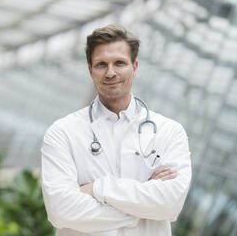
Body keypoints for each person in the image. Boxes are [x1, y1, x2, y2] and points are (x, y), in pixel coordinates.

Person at [40, 24, 192, 236]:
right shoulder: (63, 132)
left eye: (119, 63)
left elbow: (170, 204)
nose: (110, 72)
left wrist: (96, 189)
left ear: (135, 67)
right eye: (101, 64)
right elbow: (61, 211)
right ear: (90, 70)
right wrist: (143, 210)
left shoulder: (169, 131)